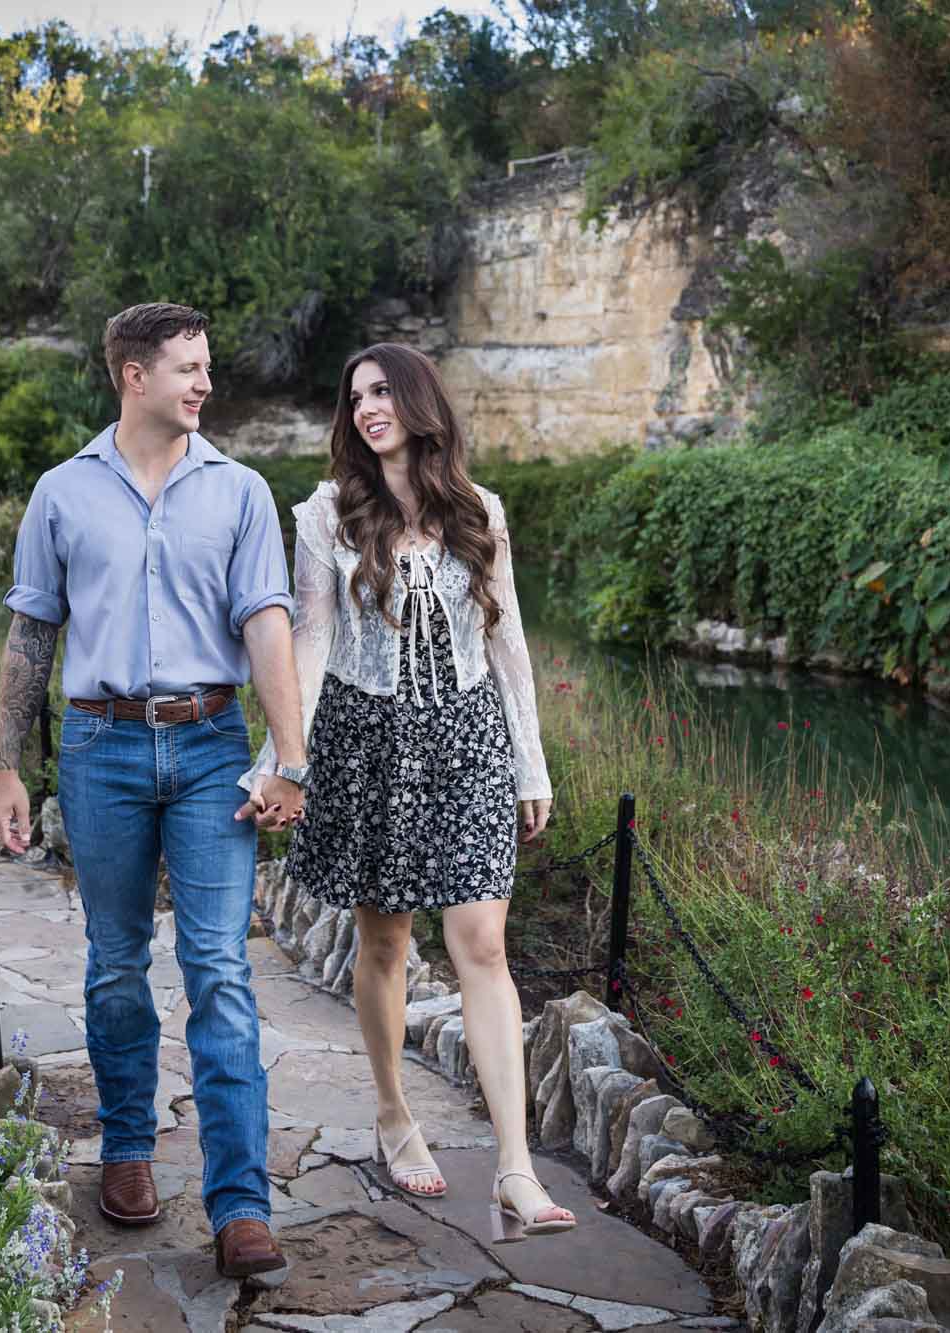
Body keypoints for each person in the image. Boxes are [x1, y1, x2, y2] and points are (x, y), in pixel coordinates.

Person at [0, 302, 311, 1279]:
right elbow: (30, 636)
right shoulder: (61, 493)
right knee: (117, 959)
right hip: (100, 749)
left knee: (217, 966)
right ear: (133, 375)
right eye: (187, 368)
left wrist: (287, 757)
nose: (204, 383)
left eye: (206, 365)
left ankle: (240, 1204)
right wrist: (7, 763)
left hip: (213, 745)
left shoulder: (240, 491)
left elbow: (265, 622)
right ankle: (126, 1149)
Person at [242, 342, 576, 1242]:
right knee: (385, 942)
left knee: (483, 944)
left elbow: (508, 648)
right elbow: (308, 644)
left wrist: (530, 764)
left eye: (383, 391)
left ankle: (514, 1165)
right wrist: (282, 758)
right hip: (368, 739)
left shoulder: (480, 511)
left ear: (420, 400)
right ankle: (394, 1111)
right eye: (355, 397)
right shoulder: (326, 515)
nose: (367, 408)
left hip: (468, 738)